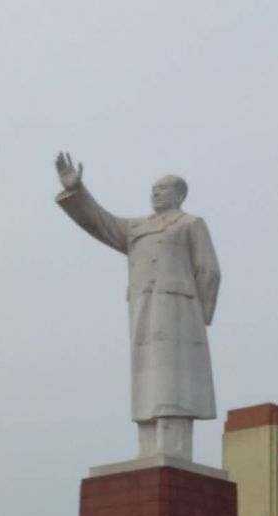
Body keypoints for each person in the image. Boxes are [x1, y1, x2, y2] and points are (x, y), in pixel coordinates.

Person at [54, 153, 221, 463]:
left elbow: (208, 270)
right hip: (145, 307)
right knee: (148, 377)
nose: (155, 193)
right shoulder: (137, 228)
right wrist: (77, 190)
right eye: (153, 189)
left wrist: (199, 316)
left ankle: (173, 447)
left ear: (179, 195)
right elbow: (99, 222)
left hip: (179, 310)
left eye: (162, 188)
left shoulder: (190, 224)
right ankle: (147, 447)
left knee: (175, 381)